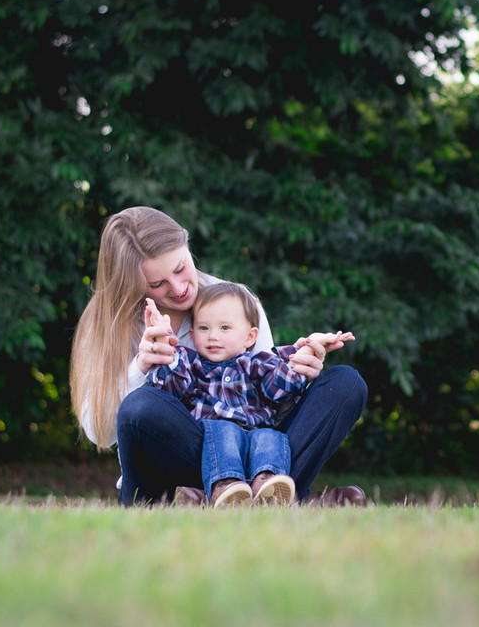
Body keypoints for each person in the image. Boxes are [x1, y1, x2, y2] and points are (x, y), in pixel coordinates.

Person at [70, 206, 368, 506]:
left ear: (186, 243)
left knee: (346, 383)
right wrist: (141, 368)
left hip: (253, 455)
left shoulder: (234, 301)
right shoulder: (107, 323)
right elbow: (99, 433)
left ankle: (241, 495)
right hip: (168, 471)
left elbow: (264, 401)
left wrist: (299, 369)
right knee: (140, 406)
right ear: (130, 284)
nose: (178, 289)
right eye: (157, 284)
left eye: (179, 269)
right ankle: (277, 499)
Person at [144, 285, 354, 508]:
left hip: (258, 435)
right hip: (214, 442)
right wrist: (164, 346)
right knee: (224, 429)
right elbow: (171, 386)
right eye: (204, 328)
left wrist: (306, 352)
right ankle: (226, 485)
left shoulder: (258, 362)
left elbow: (279, 389)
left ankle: (267, 485)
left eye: (225, 328)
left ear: (250, 337)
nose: (213, 336)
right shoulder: (192, 364)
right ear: (193, 335)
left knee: (269, 436)